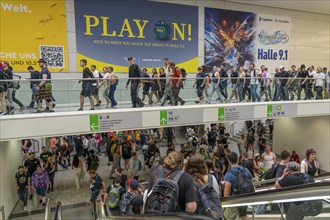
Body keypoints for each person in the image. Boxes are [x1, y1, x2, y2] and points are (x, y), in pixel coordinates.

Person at [223, 152, 253, 220]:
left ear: (229, 161)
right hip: (244, 197)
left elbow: (226, 192)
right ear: (237, 159)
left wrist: (224, 203)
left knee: (229, 217)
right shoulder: (245, 170)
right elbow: (251, 182)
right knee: (243, 215)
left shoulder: (229, 174)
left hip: (233, 199)